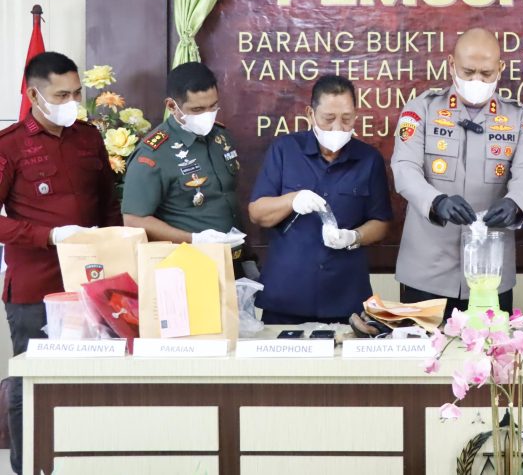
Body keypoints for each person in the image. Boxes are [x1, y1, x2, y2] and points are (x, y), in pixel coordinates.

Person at [0, 52, 121, 475]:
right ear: (34, 95)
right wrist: (47, 235)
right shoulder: (10, 145)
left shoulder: (87, 137)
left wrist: (118, 256)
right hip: (36, 288)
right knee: (31, 381)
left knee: (93, 380)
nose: (72, 102)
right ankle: (26, 466)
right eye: (61, 95)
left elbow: (109, 204)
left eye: (76, 93)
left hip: (93, 284)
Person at [392, 28, 523, 319]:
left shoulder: (519, 117)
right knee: (423, 349)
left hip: (490, 272)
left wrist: (515, 203)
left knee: (492, 347)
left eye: (486, 73)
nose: (477, 81)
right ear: (451, 65)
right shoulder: (421, 109)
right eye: (468, 72)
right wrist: (436, 202)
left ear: (500, 68)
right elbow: (404, 168)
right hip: (426, 272)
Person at [248, 76, 392, 323]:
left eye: (346, 119)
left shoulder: (369, 159)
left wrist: (353, 237)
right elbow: (257, 213)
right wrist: (292, 200)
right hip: (287, 295)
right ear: (310, 114)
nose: (338, 127)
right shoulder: (284, 150)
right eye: (328, 118)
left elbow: (381, 223)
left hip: (345, 297)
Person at [122, 62, 248, 273]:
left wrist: (247, 258)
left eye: (213, 107)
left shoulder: (221, 137)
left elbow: (228, 198)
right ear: (172, 106)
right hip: (186, 266)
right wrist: (194, 239)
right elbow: (134, 220)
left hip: (232, 262)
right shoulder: (153, 153)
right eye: (197, 110)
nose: (207, 115)